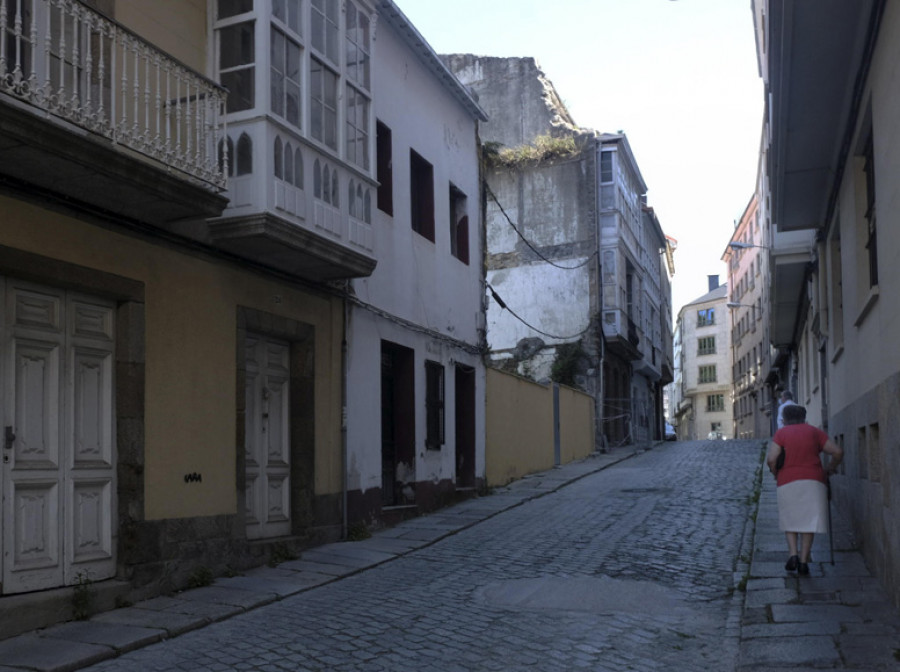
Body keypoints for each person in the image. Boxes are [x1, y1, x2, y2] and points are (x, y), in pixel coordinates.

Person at [766, 404, 843, 575]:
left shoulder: (781, 434)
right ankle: (803, 560)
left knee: (790, 518)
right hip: (814, 480)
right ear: (803, 417)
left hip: (787, 480)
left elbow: (771, 459)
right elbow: (837, 451)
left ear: (785, 419)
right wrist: (829, 468)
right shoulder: (814, 432)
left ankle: (792, 554)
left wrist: (776, 472)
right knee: (809, 520)